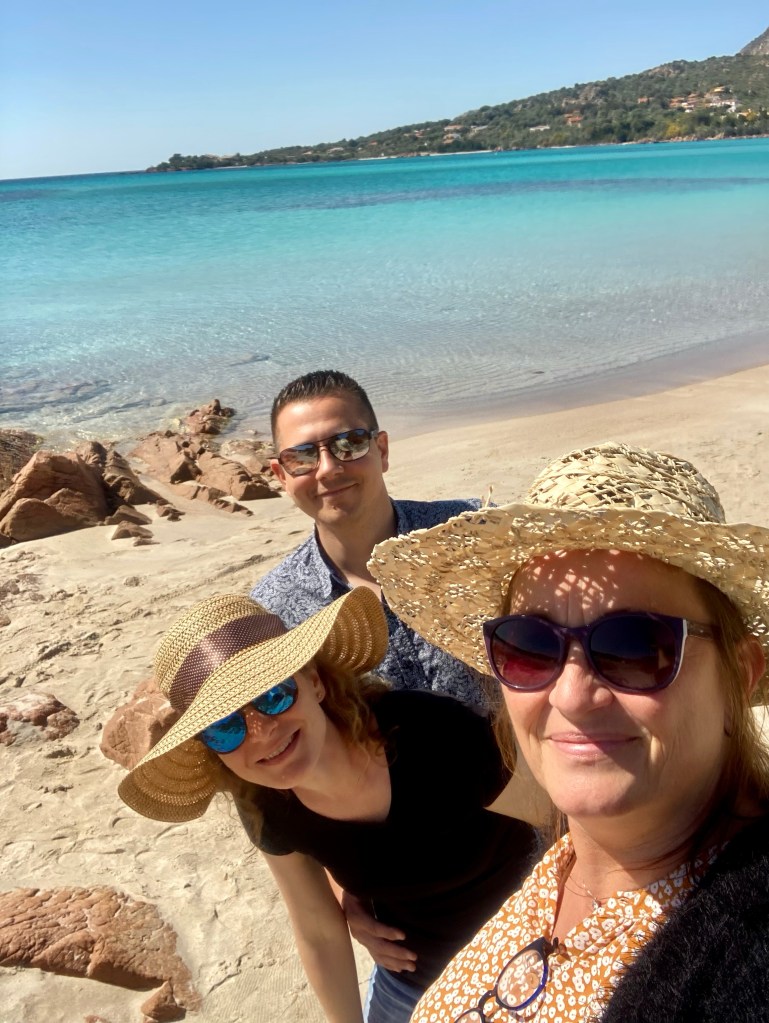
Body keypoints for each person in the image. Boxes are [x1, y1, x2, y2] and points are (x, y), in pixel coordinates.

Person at [370, 441, 769, 1022]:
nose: (571, 695)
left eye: (636, 646)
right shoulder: (569, 857)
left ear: (740, 672)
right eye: (531, 646)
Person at [118, 587, 541, 1023]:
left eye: (273, 694)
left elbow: (556, 822)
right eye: (225, 728)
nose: (261, 732)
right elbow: (318, 929)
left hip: (531, 948)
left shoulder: (432, 733)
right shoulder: (264, 804)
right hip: (414, 979)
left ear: (314, 681)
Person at [251, 369, 490, 713]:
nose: (327, 468)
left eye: (349, 443)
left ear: (382, 449)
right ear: (281, 476)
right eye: (301, 457)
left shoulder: (474, 531)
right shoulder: (274, 609)